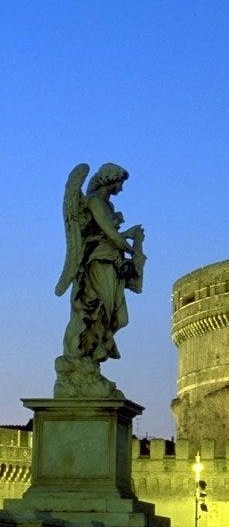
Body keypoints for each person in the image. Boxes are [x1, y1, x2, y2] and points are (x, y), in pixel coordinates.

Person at [55, 163, 145, 396]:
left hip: (111, 264)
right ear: (110, 179)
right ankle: (78, 358)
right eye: (120, 183)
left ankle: (90, 359)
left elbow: (110, 234)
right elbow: (110, 235)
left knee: (119, 317)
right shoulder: (94, 202)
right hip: (98, 263)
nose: (121, 189)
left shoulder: (108, 205)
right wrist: (131, 248)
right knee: (94, 310)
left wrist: (132, 236)